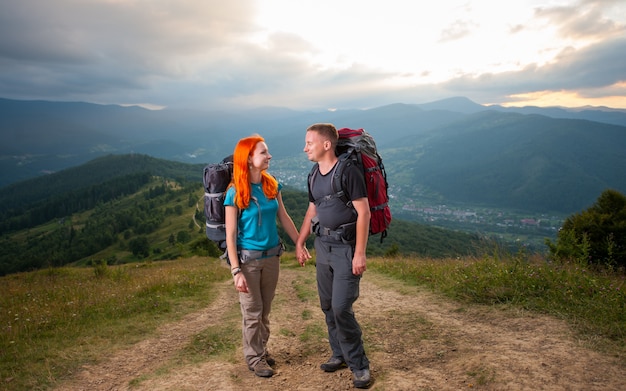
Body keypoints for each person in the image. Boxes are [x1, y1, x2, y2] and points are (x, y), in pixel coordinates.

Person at [295, 123, 372, 389]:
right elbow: (311, 210)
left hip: (345, 249)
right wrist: (300, 241)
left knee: (341, 307)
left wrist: (359, 253)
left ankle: (359, 365)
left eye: (309, 143)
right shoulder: (314, 175)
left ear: (326, 145)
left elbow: (364, 213)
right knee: (328, 306)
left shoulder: (348, 172)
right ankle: (338, 353)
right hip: (323, 246)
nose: (305, 148)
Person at [224, 134, 305, 378]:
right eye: (263, 153)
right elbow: (230, 235)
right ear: (248, 159)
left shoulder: (271, 184)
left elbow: (284, 217)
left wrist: (299, 243)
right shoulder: (235, 192)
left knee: (265, 311)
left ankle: (261, 349)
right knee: (252, 312)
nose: (269, 156)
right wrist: (235, 270)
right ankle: (255, 359)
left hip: (272, 258)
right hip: (248, 261)